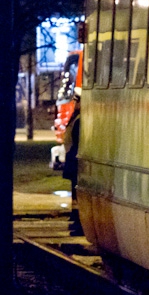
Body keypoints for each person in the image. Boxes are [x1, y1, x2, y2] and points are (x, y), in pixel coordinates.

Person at [63, 94, 83, 236]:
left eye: (77, 101)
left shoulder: (80, 119)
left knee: (77, 190)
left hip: (75, 158)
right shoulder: (76, 117)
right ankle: (75, 215)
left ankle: (78, 219)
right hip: (72, 157)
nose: (75, 104)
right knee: (74, 190)